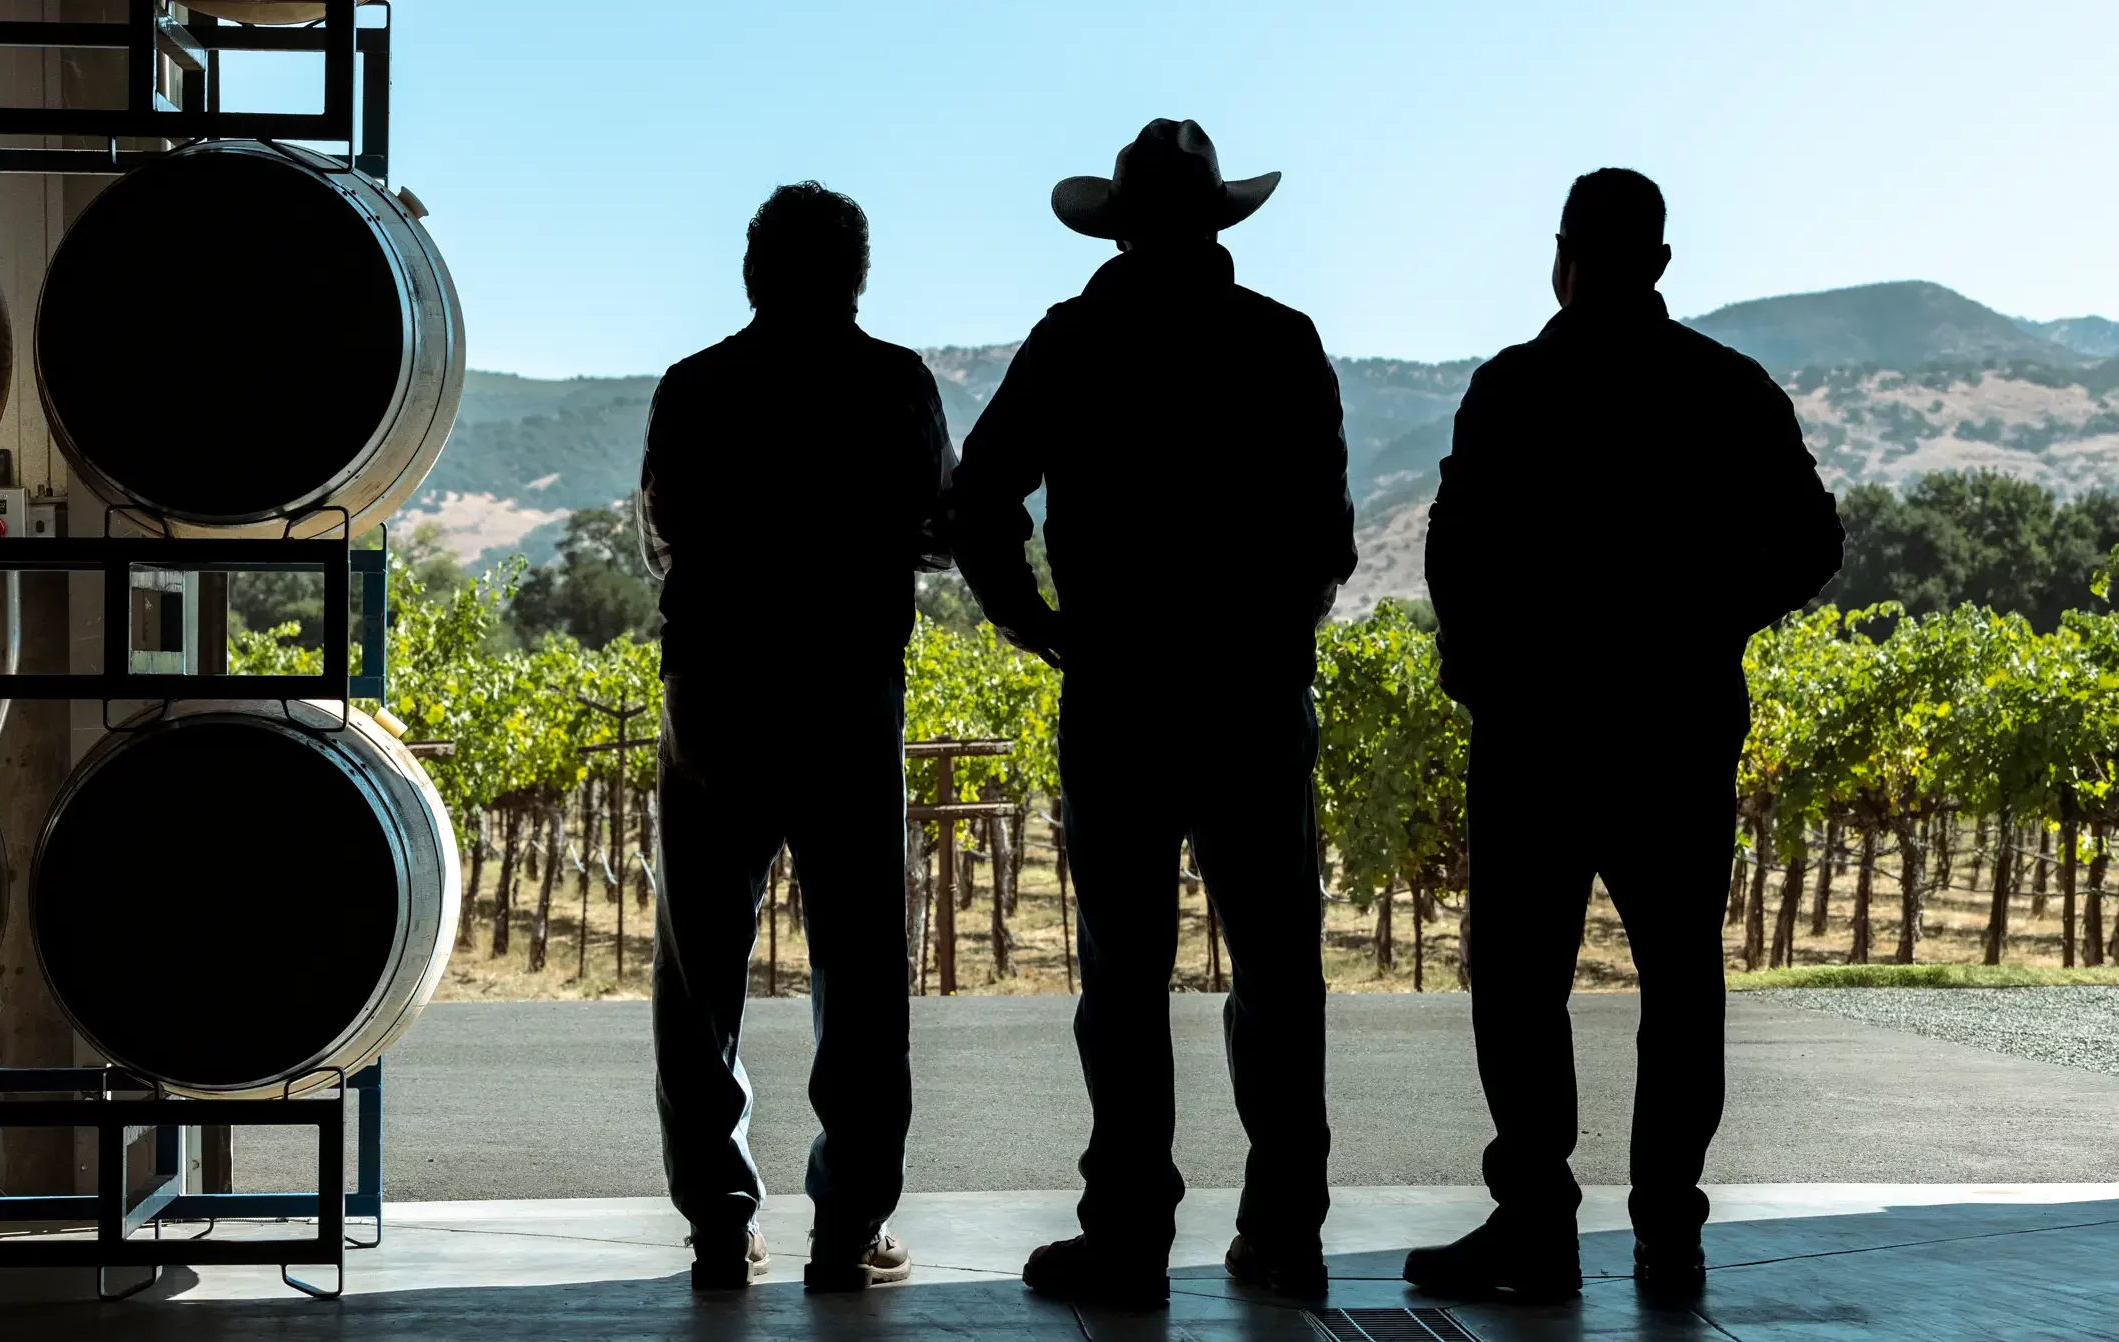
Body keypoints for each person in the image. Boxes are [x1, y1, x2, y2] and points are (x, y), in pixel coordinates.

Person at [1409, 168, 1844, 1301]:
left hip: (1533, 736)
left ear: (1561, 256)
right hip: (1676, 731)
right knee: (1678, 981)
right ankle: (1668, 1233)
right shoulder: (1728, 388)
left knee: (1515, 982)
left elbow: (1450, 556)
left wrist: (1482, 677)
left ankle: (1535, 1227)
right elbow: (1809, 542)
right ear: (1657, 261)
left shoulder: (1510, 389)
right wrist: (1708, 622)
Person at [950, 119, 1358, 1309]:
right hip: (1252, 697)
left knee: (1122, 978)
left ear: (1118, 224)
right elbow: (1327, 539)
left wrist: (1036, 621)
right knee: (1278, 972)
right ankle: (1284, 1233)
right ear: (1217, 222)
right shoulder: (1281, 343)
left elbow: (979, 498)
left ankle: (1126, 1237)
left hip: (1118, 696)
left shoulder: (1076, 341)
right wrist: (1274, 632)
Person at [638, 181, 952, 1293]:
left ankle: (719, 1228)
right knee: (861, 971)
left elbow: (665, 529)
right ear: (856, 278)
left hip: (713, 694)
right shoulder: (895, 384)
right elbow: (938, 527)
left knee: (699, 971)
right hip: (845, 694)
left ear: (750, 271)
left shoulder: (692, 387)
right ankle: (845, 1228)